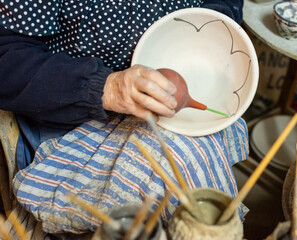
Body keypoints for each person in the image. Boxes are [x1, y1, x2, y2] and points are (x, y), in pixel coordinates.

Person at [0, 0, 248, 234]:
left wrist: (211, 31)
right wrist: (107, 88)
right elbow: (7, 55)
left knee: (199, 196)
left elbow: (223, 5)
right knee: (142, 212)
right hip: (72, 105)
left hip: (174, 94)